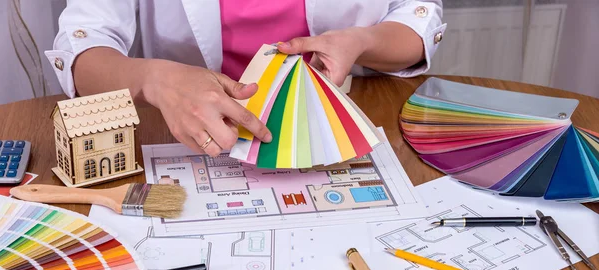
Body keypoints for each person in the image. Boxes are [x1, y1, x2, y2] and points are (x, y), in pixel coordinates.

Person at [46, 1, 445, 157]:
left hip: (340, 132)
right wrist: (153, 78)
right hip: (189, 136)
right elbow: (83, 50)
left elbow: (416, 19)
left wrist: (362, 40)